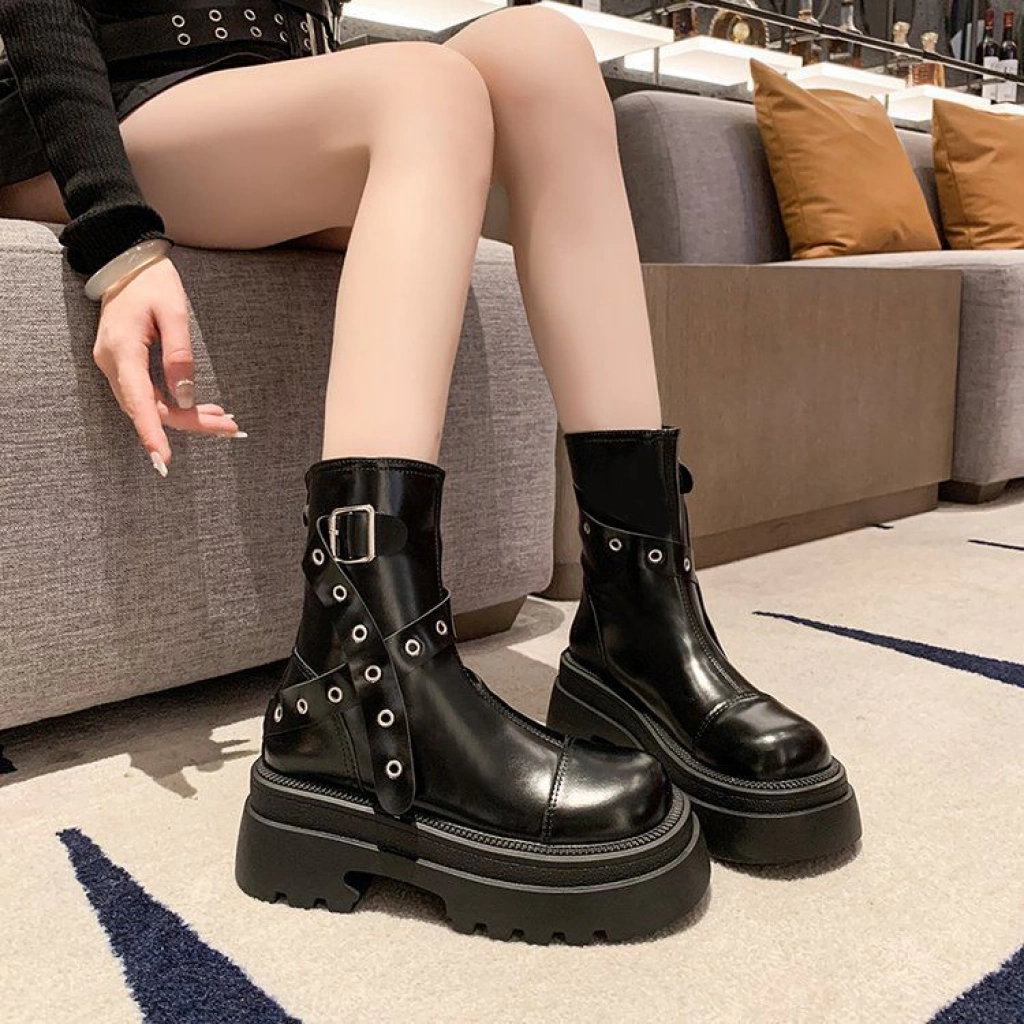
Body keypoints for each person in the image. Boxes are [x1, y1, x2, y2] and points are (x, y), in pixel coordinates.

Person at [0, 0, 859, 944]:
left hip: (264, 102)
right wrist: (117, 240)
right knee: (425, 90)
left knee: (543, 53)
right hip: (101, 117)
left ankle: (639, 623)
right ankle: (363, 674)